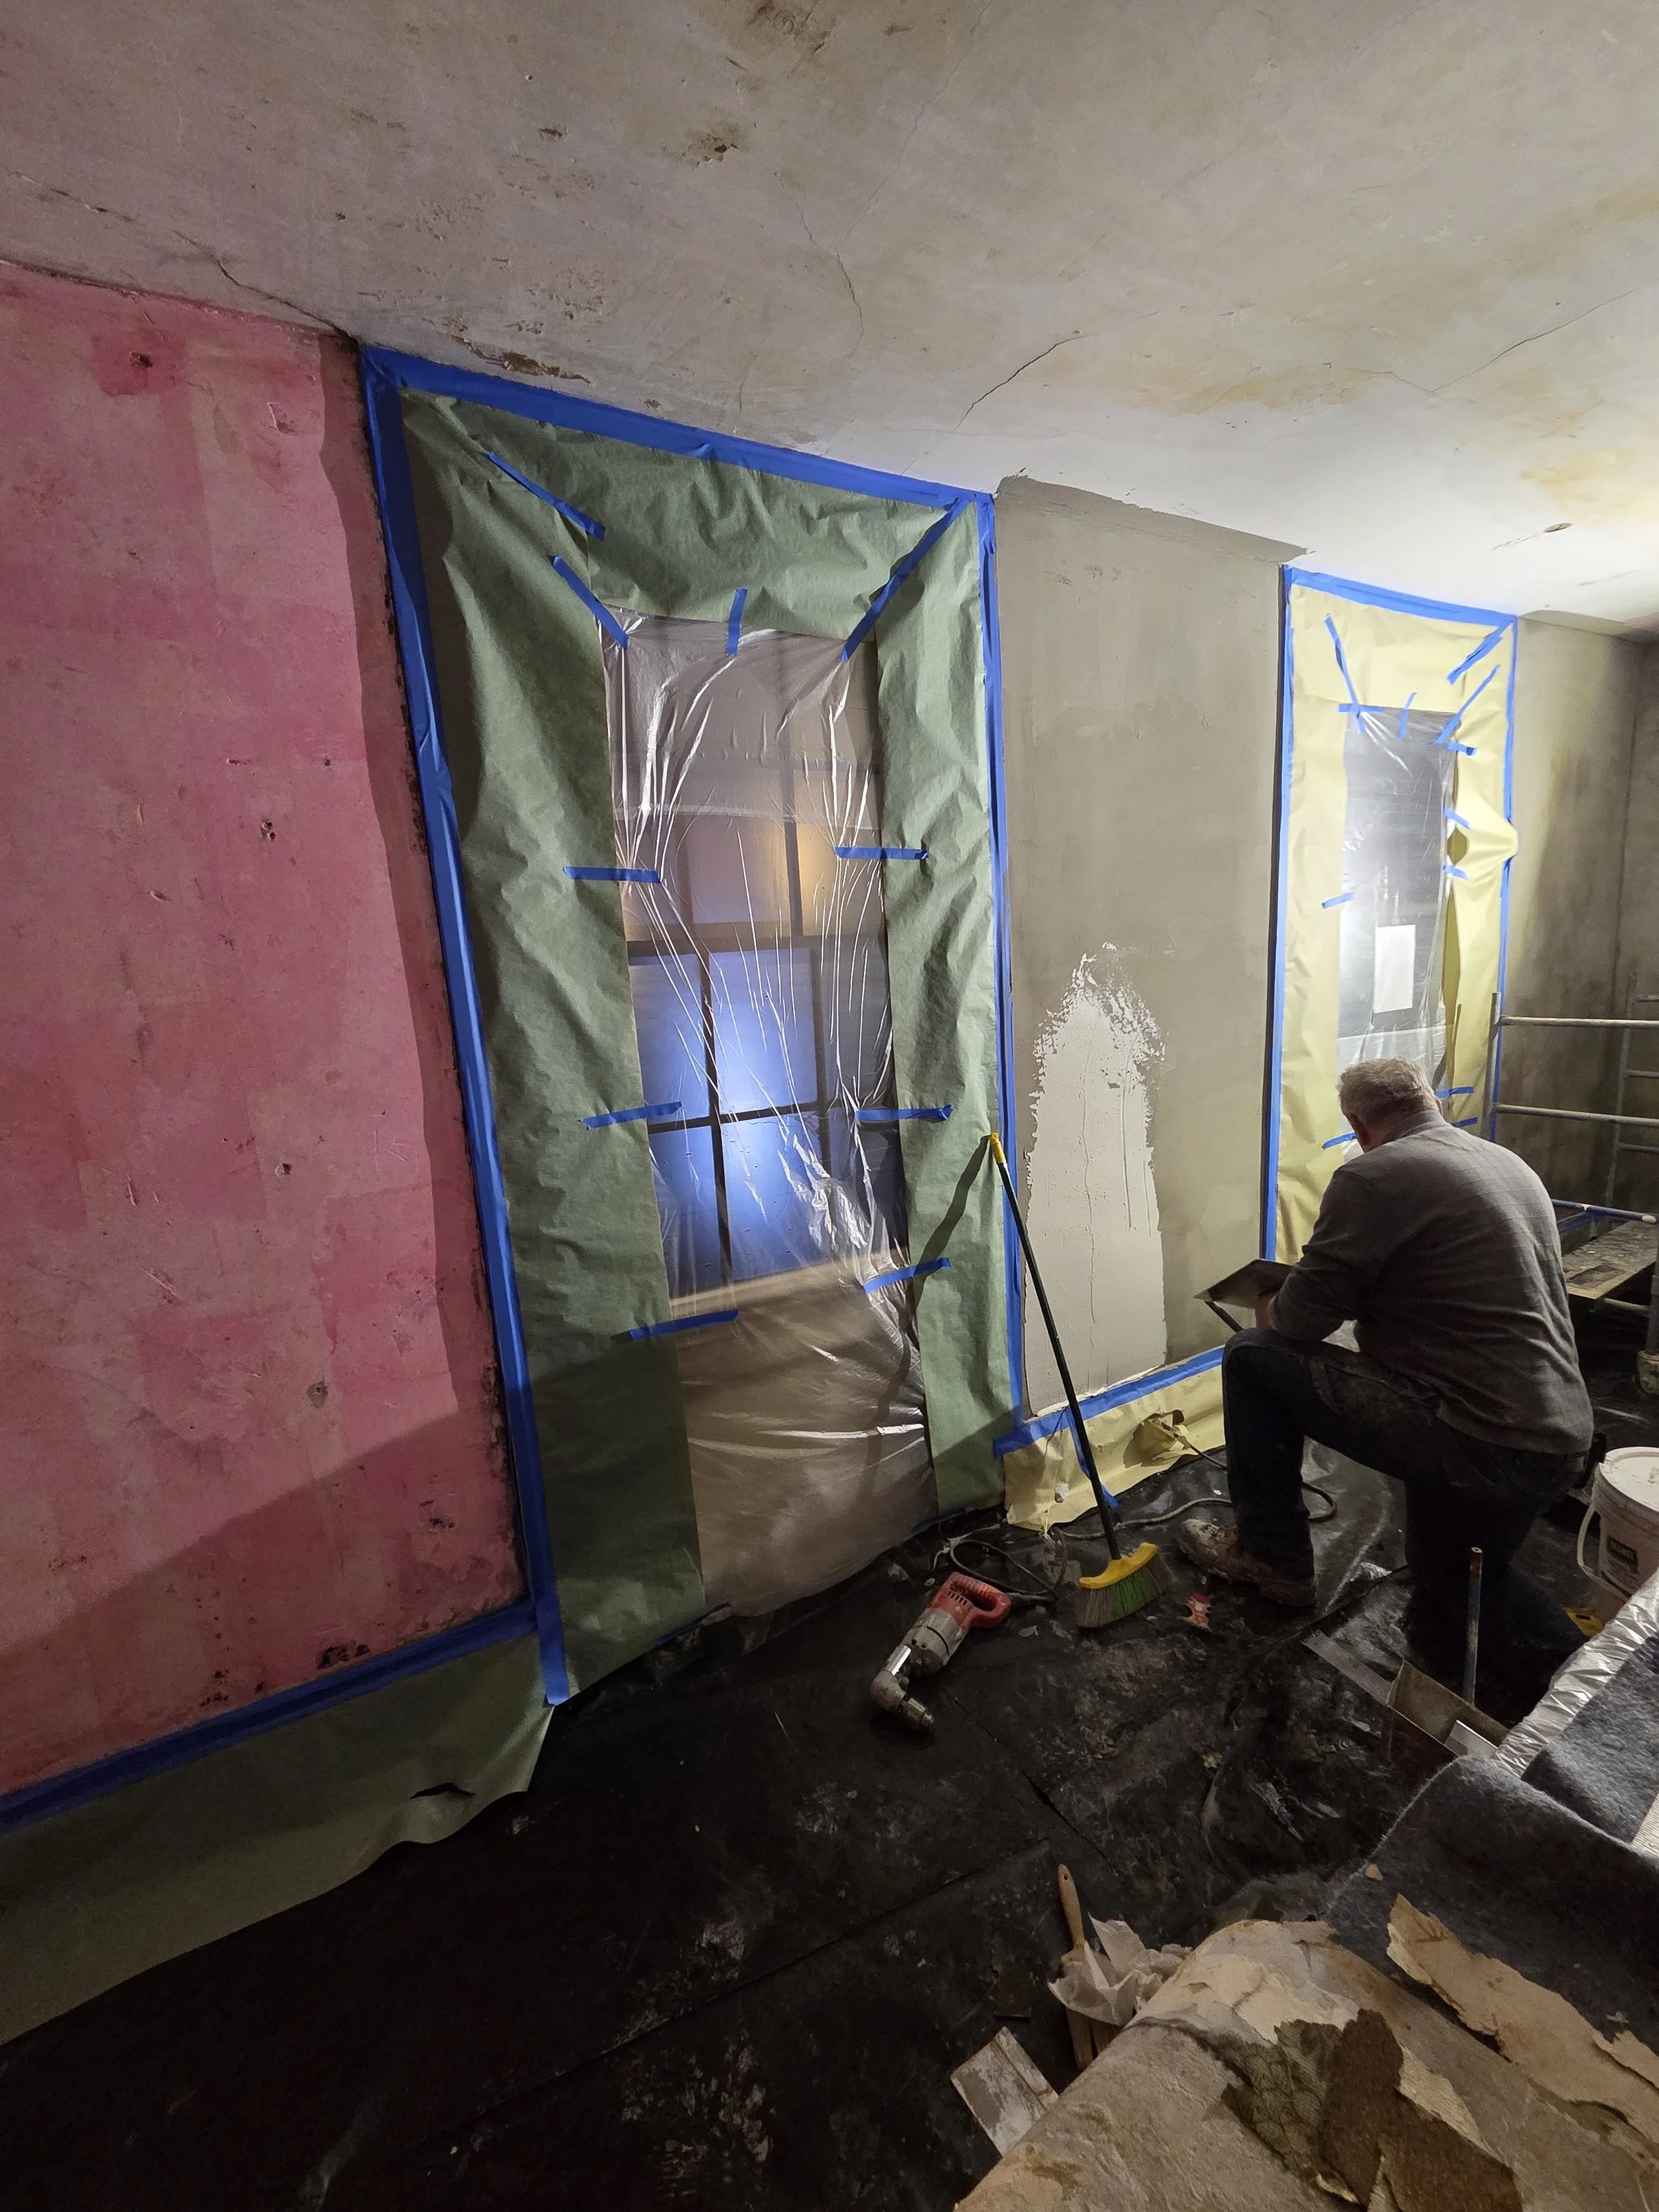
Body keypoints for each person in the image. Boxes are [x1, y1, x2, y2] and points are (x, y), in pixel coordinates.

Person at [1181, 1057, 1593, 1700]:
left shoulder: (1372, 1176)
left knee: (1252, 1358)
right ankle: (1596, 1693)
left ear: (1357, 1124)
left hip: (1480, 1438)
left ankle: (1272, 1559)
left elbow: (1299, 1324)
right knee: (1443, 1572)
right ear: (1426, 1102)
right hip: (1556, 1436)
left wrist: (1271, 1301)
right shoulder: (1504, 1163)